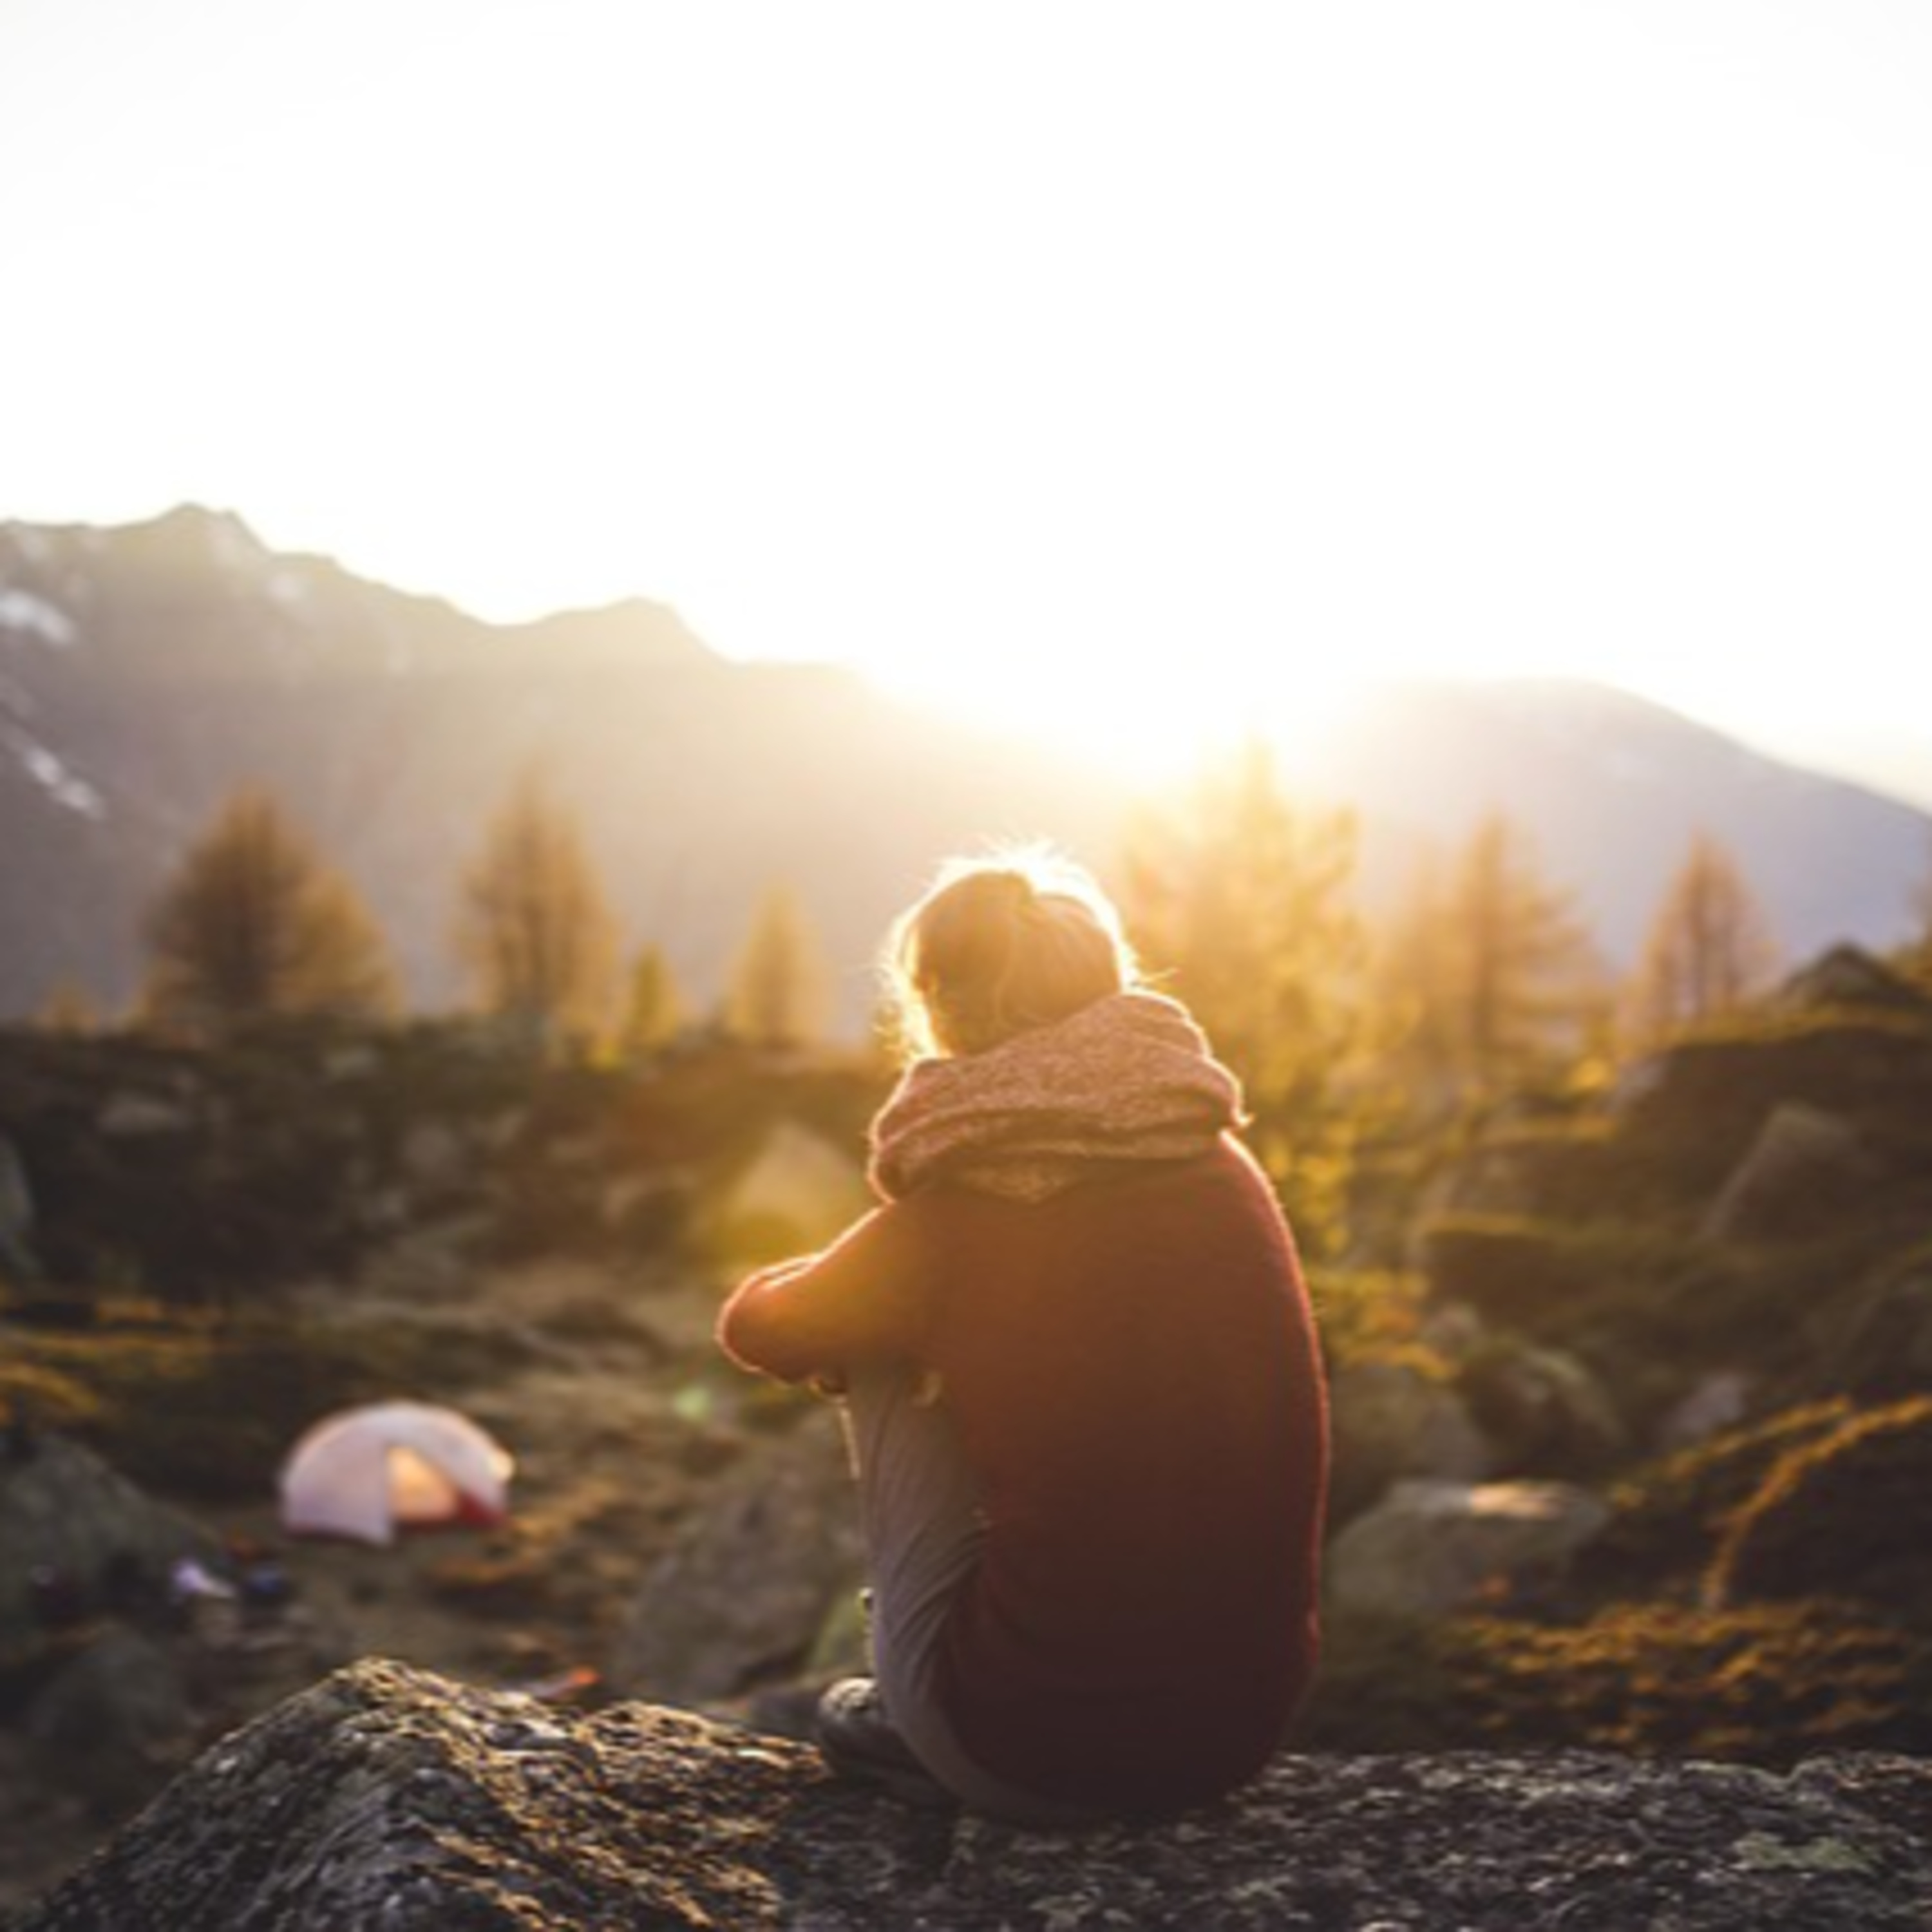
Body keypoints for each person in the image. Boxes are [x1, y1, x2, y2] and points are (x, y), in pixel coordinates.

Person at [715, 847, 1329, 1826]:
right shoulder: (1220, 1164)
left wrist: (878, 1285)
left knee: (873, 1339)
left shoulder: (962, 1209)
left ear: (941, 1009)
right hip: (1236, 1739)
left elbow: (764, 1329)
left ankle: (918, 1692)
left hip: (1027, 1755)